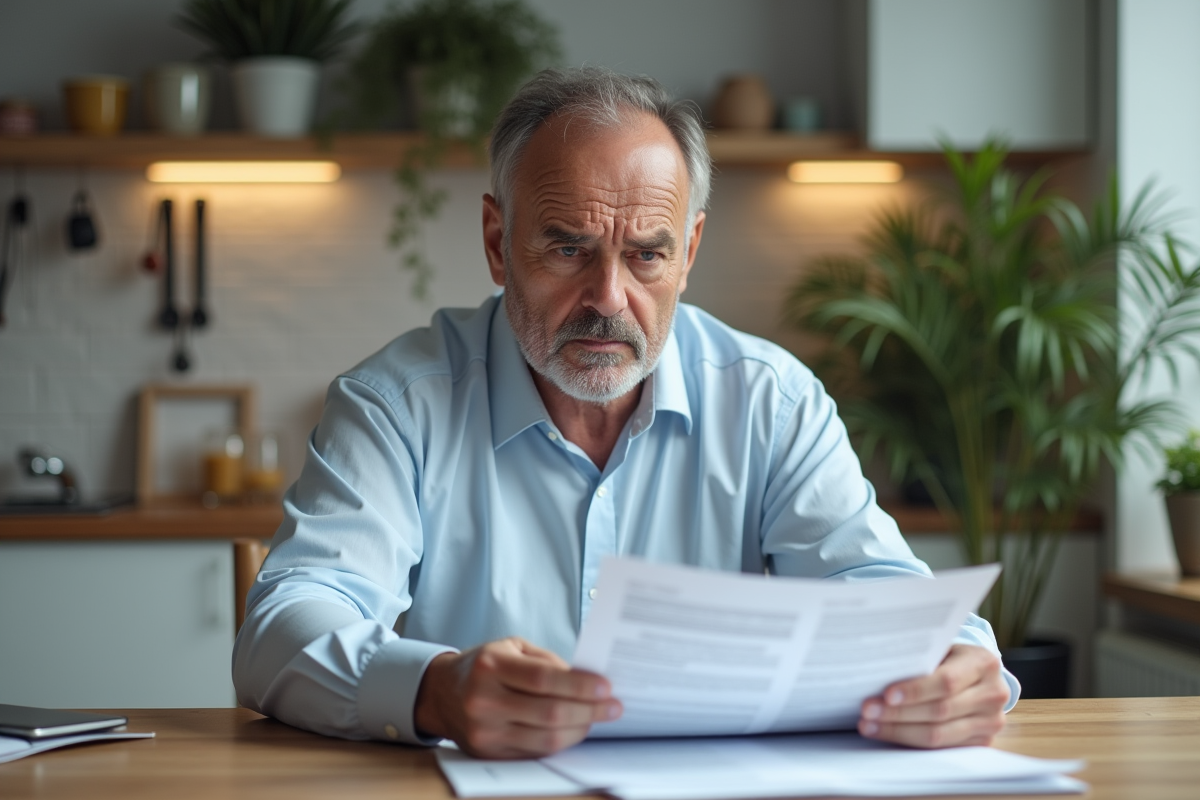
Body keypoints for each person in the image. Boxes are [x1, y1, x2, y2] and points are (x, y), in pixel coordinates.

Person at [232, 67, 1016, 759]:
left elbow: (881, 592)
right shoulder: (395, 404)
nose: (609, 299)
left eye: (646, 253)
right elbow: (284, 628)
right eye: (568, 248)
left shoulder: (770, 400)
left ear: (690, 252)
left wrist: (956, 666)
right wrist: (434, 688)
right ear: (498, 243)